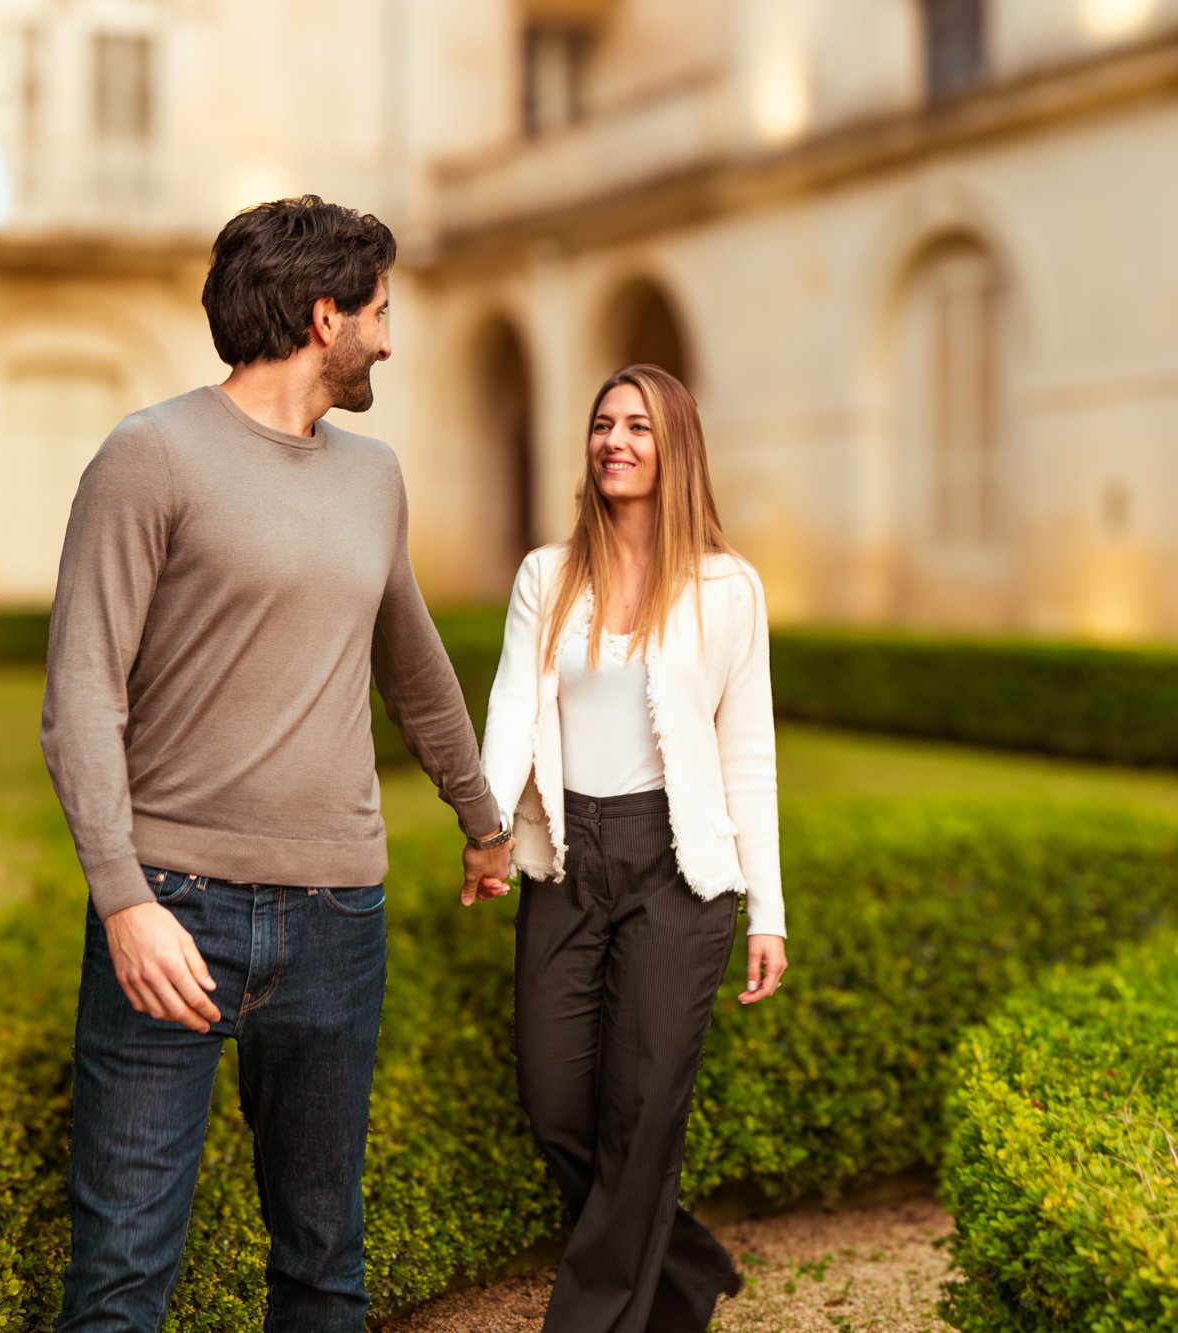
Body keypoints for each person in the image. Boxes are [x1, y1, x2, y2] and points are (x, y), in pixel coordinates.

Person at [40, 195, 514, 1332]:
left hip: (335, 918)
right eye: (380, 314)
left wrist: (482, 818)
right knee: (118, 1278)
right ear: (322, 316)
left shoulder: (373, 476)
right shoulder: (146, 456)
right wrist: (122, 901)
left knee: (322, 1263)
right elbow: (80, 692)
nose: (389, 342)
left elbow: (414, 664)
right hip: (174, 909)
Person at [472, 363, 789, 1332]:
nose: (614, 440)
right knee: (555, 1099)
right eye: (603, 424)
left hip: (678, 867)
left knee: (643, 1103)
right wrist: (488, 829)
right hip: (571, 857)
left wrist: (765, 910)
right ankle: (685, 1264)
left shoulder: (728, 589)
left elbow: (748, 750)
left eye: (637, 427)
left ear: (675, 447)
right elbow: (512, 704)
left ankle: (593, 1318)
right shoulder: (544, 574)